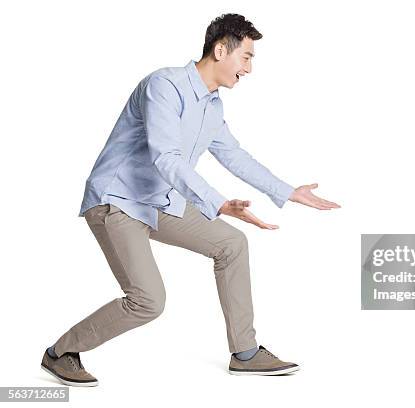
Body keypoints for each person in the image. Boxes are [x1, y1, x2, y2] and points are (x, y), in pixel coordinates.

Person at [41, 13, 340, 387]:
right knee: (148, 301)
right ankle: (60, 353)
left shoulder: (211, 105)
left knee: (231, 243)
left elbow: (234, 154)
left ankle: (245, 353)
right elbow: (166, 156)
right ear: (220, 50)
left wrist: (286, 190)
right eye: (246, 57)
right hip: (116, 201)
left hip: (158, 202)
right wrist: (216, 203)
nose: (248, 69)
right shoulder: (164, 85)